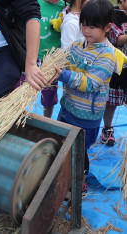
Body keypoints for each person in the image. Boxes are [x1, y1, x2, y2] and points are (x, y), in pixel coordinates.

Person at [52, 0, 118, 196]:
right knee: (63, 144)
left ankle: (79, 184)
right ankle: (63, 177)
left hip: (86, 117)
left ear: (107, 27)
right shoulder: (76, 45)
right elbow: (66, 63)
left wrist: (63, 75)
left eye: (92, 26)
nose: (86, 30)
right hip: (67, 107)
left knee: (79, 153)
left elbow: (89, 83)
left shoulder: (107, 56)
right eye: (83, 24)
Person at [100, 0, 127, 145]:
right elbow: (117, 39)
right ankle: (107, 128)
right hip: (117, 68)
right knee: (112, 102)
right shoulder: (115, 15)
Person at [38, 0, 65, 118]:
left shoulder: (64, 8)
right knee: (21, 90)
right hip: (31, 58)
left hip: (51, 61)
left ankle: (46, 120)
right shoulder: (34, 3)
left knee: (48, 95)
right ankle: (19, 118)